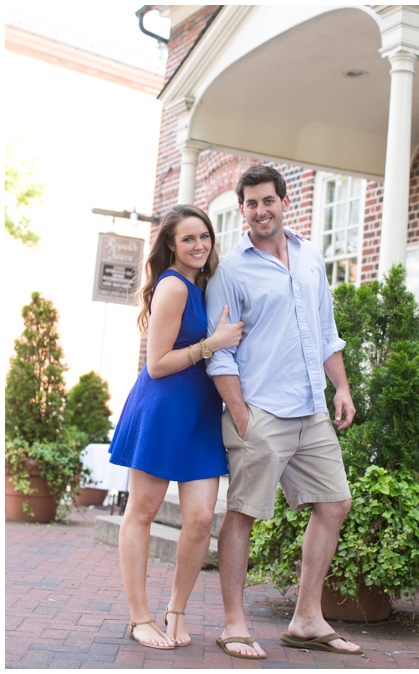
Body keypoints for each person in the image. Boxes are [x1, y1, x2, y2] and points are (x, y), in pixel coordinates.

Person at [205, 165, 359, 659]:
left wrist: (341, 387)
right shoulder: (230, 270)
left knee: (334, 504)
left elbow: (324, 329)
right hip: (262, 408)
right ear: (242, 209)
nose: (259, 210)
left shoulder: (310, 255)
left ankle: (308, 619)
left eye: (267, 200)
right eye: (250, 203)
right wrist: (240, 412)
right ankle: (234, 623)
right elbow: (219, 351)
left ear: (283, 201)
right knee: (245, 512)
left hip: (312, 405)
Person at [108, 205, 244, 649]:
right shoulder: (172, 286)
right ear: (171, 244)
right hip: (164, 409)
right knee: (142, 512)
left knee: (202, 518)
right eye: (188, 239)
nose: (199, 245)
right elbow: (157, 364)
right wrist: (211, 345)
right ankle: (139, 617)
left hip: (201, 413)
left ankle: (177, 609)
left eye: (204, 236)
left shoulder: (203, 283)